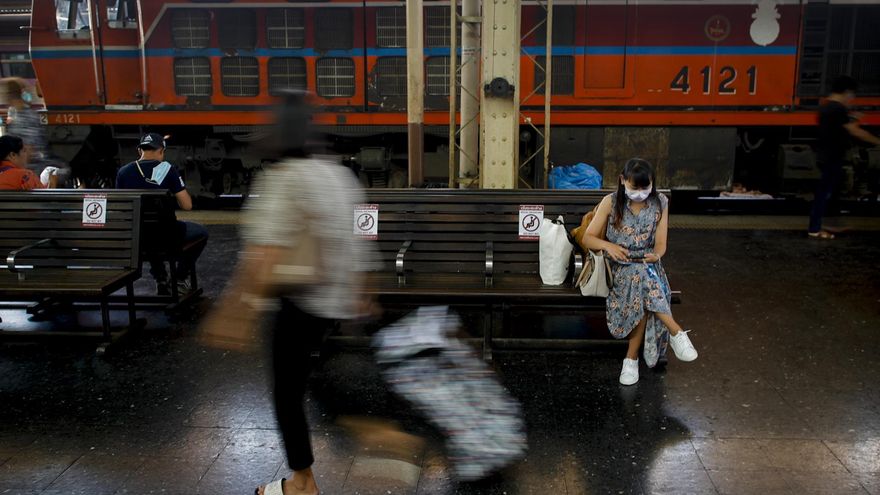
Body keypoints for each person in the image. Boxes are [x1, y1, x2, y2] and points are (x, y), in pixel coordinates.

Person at [200, 91, 377, 495]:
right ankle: (373, 437)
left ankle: (303, 482)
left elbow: (265, 256)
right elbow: (360, 242)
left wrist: (234, 313)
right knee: (317, 385)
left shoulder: (280, 179)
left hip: (298, 302)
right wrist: (363, 292)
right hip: (334, 304)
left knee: (287, 392)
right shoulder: (340, 175)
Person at [582, 158, 698, 386]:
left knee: (641, 281)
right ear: (623, 181)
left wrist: (656, 255)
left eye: (646, 187)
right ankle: (676, 332)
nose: (641, 192)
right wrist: (609, 246)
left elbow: (661, 244)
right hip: (618, 264)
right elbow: (588, 238)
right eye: (635, 187)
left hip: (647, 265)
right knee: (640, 279)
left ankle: (631, 360)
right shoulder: (611, 202)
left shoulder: (661, 202)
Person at [115, 133, 207, 294]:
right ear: (161, 151)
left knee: (149, 233)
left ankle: (160, 278)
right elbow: (187, 206)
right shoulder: (167, 169)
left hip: (138, 238)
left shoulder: (123, 172)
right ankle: (178, 279)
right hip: (167, 236)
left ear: (139, 151)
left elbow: (121, 207)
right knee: (201, 233)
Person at [809, 76, 880, 239]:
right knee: (824, 193)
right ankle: (815, 229)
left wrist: (853, 119)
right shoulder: (837, 109)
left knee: (829, 192)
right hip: (832, 156)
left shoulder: (825, 107)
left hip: (825, 154)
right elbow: (854, 131)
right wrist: (876, 141)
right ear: (847, 92)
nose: (852, 99)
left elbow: (839, 127)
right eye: (852, 95)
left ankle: (828, 223)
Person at [1, 78, 50, 175]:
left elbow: (28, 150)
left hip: (33, 169)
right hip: (21, 168)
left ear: (9, 96)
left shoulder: (27, 116)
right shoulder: (14, 114)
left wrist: (16, 172)